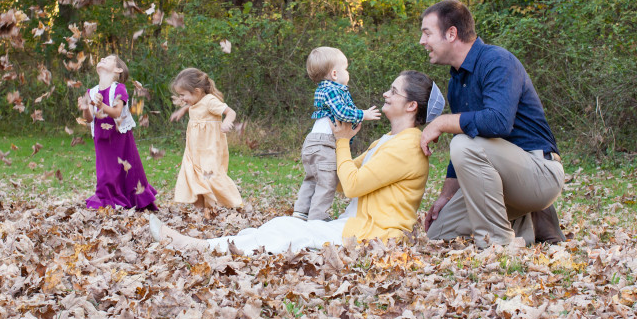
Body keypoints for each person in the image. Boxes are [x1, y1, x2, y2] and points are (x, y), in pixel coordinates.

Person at [150, 70, 444, 254]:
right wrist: (321, 154)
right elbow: (341, 181)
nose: (385, 93)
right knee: (285, 223)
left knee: (291, 232)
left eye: (393, 91)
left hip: (376, 235)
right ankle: (217, 246)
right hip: (357, 226)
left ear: (411, 105)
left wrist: (341, 142)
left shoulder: (408, 147)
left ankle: (199, 247)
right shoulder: (385, 141)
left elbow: (352, 186)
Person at [419, 0, 566, 248]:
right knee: (440, 232)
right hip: (501, 180)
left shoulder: (497, 61)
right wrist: (446, 196)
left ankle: (497, 244)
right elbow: (465, 144)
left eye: (427, 33)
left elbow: (498, 122)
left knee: (464, 143)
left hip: (540, 174)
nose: (422, 42)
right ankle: (526, 225)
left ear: (451, 33)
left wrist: (443, 121)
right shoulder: (457, 80)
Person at [292, 47, 381, 221]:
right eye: (345, 69)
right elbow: (341, 112)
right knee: (327, 181)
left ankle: (301, 211)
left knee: (312, 178)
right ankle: (317, 218)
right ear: (334, 73)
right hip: (324, 143)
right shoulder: (332, 90)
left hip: (312, 142)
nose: (347, 73)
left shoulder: (324, 89)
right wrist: (364, 114)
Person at [82, 53, 158, 211]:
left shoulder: (119, 88)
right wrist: (85, 108)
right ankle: (106, 199)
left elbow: (117, 112)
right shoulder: (91, 91)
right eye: (103, 58)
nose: (102, 58)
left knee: (127, 169)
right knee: (105, 172)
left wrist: (102, 105)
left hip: (119, 138)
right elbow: (89, 118)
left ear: (117, 70)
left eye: (107, 59)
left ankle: (133, 198)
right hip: (102, 138)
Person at [169, 67, 242, 218]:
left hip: (210, 148)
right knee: (192, 176)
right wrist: (182, 110)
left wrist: (227, 122)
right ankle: (200, 212)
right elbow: (192, 105)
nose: (181, 99)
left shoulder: (210, 101)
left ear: (196, 91)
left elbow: (231, 112)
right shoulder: (197, 101)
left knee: (211, 177)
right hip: (194, 150)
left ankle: (234, 203)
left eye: (183, 95)